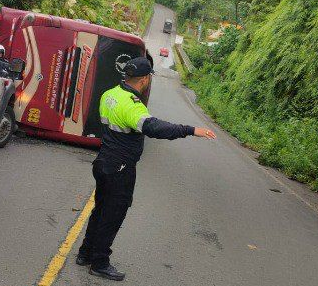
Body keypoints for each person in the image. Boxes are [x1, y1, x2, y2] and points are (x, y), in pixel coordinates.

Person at [76, 56, 216, 281]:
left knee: (100, 210)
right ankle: (99, 262)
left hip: (103, 162)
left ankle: (85, 253)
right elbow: (153, 127)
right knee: (113, 214)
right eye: (149, 77)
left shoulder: (109, 94)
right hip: (120, 168)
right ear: (144, 79)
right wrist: (190, 130)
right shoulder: (132, 104)